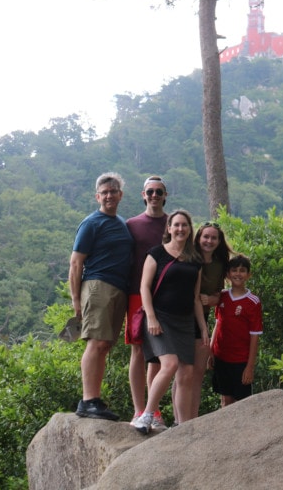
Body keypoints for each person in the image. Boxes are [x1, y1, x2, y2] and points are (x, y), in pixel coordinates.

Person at [134, 210, 208, 433]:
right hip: (161, 318)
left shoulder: (195, 261)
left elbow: (195, 298)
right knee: (169, 364)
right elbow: (144, 287)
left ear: (189, 229)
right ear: (169, 228)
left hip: (185, 322)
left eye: (184, 225)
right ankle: (147, 414)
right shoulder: (156, 254)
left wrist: (203, 328)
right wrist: (152, 317)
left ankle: (183, 425)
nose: (180, 229)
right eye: (176, 225)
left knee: (186, 373)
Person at [69, 172, 133, 421]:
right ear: (97, 196)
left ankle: (94, 399)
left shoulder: (121, 223)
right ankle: (88, 401)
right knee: (96, 343)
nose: (109, 196)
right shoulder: (91, 223)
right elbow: (75, 263)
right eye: (104, 192)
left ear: (120, 195)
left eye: (113, 191)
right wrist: (76, 300)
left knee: (104, 344)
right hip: (97, 285)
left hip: (118, 288)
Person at [124, 175, 168, 428]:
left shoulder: (172, 223)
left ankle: (155, 411)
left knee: (161, 353)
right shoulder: (131, 225)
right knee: (138, 350)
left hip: (165, 294)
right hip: (135, 294)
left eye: (158, 192)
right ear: (143, 194)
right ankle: (138, 410)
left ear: (165, 195)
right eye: (150, 191)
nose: (154, 195)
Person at [184, 221, 233, 420]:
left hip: (201, 318)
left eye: (213, 238)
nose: (209, 241)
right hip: (181, 316)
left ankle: (192, 419)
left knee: (197, 373)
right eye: (205, 237)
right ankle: (176, 419)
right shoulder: (189, 258)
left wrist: (213, 299)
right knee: (181, 372)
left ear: (219, 241)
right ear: (198, 238)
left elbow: (221, 293)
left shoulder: (220, 263)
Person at [211, 254, 263, 407]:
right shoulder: (222, 296)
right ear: (228, 274)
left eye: (242, 270)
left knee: (241, 402)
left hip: (240, 360)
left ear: (248, 275)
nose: (238, 274)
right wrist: (211, 351)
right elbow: (217, 324)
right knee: (225, 398)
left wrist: (249, 367)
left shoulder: (253, 301)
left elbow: (255, 336)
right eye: (234, 270)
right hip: (221, 357)